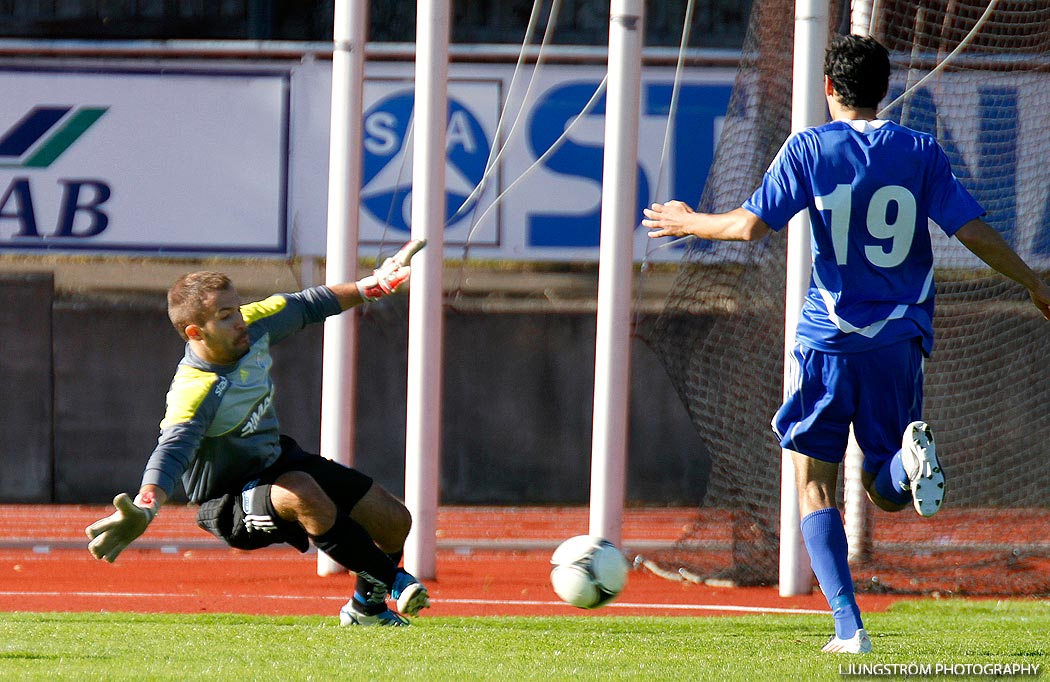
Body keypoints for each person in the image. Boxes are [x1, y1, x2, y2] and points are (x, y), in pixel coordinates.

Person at [642, 35, 1050, 654]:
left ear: (828, 89)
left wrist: (687, 220)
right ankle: (908, 459)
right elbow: (972, 230)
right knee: (886, 493)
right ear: (884, 90)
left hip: (830, 340)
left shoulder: (809, 148)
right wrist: (1032, 282)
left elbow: (750, 226)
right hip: (899, 341)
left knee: (814, 484)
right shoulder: (920, 151)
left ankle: (848, 627)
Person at [86, 239, 431, 627]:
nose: (240, 321)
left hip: (278, 462)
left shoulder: (255, 323)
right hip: (228, 501)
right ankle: (394, 581)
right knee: (302, 491)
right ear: (196, 331)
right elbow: (171, 451)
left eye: (237, 308)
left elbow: (309, 303)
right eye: (226, 315)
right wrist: (147, 506)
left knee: (394, 520)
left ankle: (366, 610)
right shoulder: (194, 389)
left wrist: (374, 286)